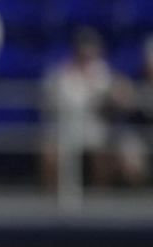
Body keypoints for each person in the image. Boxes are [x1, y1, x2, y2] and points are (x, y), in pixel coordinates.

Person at [42, 28, 146, 188]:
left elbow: (120, 96)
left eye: (91, 51)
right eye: (83, 51)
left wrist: (118, 94)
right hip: (65, 126)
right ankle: (52, 197)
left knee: (106, 149)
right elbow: (51, 104)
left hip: (94, 127)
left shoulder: (103, 72)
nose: (87, 56)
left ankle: (100, 194)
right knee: (50, 151)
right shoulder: (59, 74)